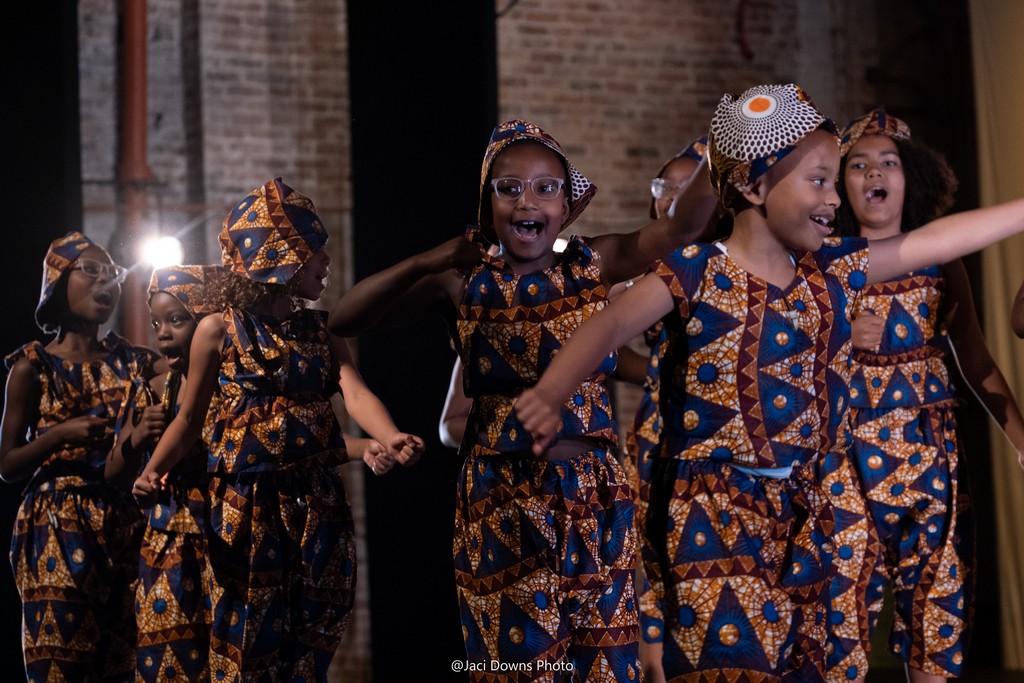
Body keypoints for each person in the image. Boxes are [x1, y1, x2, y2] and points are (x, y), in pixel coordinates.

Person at [515, 83, 1024, 681]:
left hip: (809, 518)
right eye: (819, 180)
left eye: (836, 180)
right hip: (713, 516)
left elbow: (932, 242)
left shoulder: (832, 269)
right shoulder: (695, 270)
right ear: (754, 187)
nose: (836, 197)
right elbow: (608, 326)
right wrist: (550, 393)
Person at [329, 119, 717, 680]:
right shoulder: (462, 283)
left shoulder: (595, 264)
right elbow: (346, 317)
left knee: (606, 665)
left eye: (545, 188)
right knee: (517, 667)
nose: (526, 200)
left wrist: (732, 135)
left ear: (566, 205)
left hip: (595, 495)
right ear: (487, 204)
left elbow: (680, 229)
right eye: (507, 188)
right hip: (500, 501)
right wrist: (426, 260)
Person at [132, 178, 424, 682]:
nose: (325, 263)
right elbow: (188, 418)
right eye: (315, 253)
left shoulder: (321, 330)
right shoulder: (217, 329)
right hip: (246, 504)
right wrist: (154, 469)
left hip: (316, 502)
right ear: (280, 257)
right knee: (248, 635)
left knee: (314, 630)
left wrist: (390, 434)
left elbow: (354, 392)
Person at [832, 107, 1024, 683]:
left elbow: (978, 361)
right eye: (858, 164)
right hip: (841, 466)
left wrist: (1019, 434)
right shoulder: (819, 266)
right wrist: (842, 339)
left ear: (910, 176)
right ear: (839, 185)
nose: (873, 173)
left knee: (937, 612)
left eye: (887, 162)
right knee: (840, 619)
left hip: (932, 462)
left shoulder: (942, 261)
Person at [0, 232, 159, 682]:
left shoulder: (132, 361)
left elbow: (190, 362)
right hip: (56, 526)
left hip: (125, 521)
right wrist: (61, 434)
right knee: (62, 665)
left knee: (125, 661)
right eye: (91, 271)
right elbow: (8, 464)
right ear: (58, 279)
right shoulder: (33, 367)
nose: (106, 283)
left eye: (113, 275)